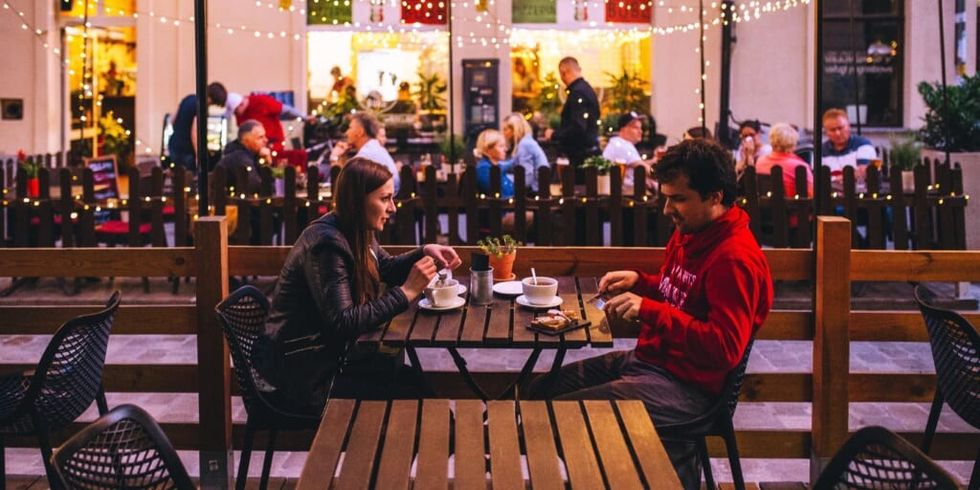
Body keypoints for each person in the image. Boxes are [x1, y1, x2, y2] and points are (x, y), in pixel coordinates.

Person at [530, 138, 773, 488]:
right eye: (665, 197)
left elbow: (724, 348)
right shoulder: (691, 231)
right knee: (541, 390)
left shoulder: (734, 259)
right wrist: (642, 282)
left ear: (716, 197)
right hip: (653, 362)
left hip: (691, 389)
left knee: (564, 417)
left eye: (678, 199)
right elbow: (682, 292)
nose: (666, 209)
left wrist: (650, 310)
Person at [254, 158, 462, 414]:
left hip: (327, 360)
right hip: (306, 376)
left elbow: (384, 267)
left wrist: (424, 251)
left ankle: (452, 450)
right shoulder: (327, 245)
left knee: (417, 385)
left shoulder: (354, 228)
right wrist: (407, 292)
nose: (393, 208)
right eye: (384, 199)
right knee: (419, 402)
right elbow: (344, 322)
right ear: (358, 200)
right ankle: (453, 448)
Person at [546, 57, 600, 177]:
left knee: (576, 191)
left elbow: (578, 127)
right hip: (588, 154)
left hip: (579, 157)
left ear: (563, 72)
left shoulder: (577, 93)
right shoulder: (587, 89)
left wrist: (554, 134)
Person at [328, 112, 400, 193]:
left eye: (350, 128)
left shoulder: (364, 156)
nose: (346, 133)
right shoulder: (374, 148)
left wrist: (334, 157)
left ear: (360, 132)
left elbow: (343, 189)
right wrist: (342, 156)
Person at [167, 82, 228, 171]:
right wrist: (198, 155)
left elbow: (172, 119)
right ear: (211, 99)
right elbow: (195, 131)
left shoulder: (188, 98)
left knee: (178, 177)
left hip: (174, 144)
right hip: (187, 149)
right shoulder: (201, 106)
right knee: (190, 178)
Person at [225, 92, 308, 154]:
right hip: (253, 150)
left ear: (241, 104)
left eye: (235, 112)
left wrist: (305, 118)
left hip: (273, 146)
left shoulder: (261, 101)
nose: (235, 114)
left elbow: (286, 110)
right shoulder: (240, 115)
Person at [756, 123, 813, 198]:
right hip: (794, 208)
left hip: (764, 208)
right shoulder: (800, 166)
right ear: (793, 143)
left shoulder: (760, 162)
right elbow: (813, 193)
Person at [215, 120, 271, 195]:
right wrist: (265, 165)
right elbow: (255, 187)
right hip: (231, 204)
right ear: (246, 140)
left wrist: (266, 162)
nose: (266, 140)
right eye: (260, 137)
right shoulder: (239, 157)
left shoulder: (254, 156)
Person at [821, 108, 877, 178]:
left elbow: (864, 172)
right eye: (832, 130)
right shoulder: (821, 151)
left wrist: (838, 178)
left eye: (840, 128)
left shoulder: (863, 144)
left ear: (848, 126)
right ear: (826, 132)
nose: (837, 133)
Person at [502, 113, 549, 193]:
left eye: (505, 129)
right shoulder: (526, 142)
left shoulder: (525, 145)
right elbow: (512, 163)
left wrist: (505, 178)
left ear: (514, 130)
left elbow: (527, 178)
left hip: (534, 193)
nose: (503, 133)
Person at [602, 111, 652, 185]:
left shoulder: (618, 142)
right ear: (623, 129)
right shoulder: (622, 146)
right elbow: (646, 170)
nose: (640, 131)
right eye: (636, 128)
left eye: (641, 128)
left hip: (619, 190)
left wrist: (654, 160)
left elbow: (637, 164)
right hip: (623, 193)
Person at [474, 129, 515, 198]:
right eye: (501, 146)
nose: (506, 149)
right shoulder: (484, 169)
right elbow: (504, 195)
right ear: (487, 149)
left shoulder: (496, 167)